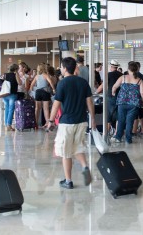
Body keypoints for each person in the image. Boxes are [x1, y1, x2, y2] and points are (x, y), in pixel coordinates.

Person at [47, 57, 95, 189]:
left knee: (65, 152)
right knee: (77, 146)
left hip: (67, 122)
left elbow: (56, 105)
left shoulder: (62, 83)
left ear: (65, 68)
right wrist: (93, 119)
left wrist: (51, 121)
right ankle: (85, 167)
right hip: (81, 121)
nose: (61, 69)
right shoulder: (83, 82)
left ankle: (68, 181)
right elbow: (89, 102)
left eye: (61, 67)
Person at [112, 61, 143, 144]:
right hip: (134, 104)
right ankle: (128, 139)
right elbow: (142, 93)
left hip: (122, 102)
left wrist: (113, 92)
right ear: (137, 69)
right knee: (130, 121)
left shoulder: (123, 77)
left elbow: (115, 86)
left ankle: (118, 137)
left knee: (121, 120)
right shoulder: (139, 80)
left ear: (128, 69)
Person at [96, 59, 122, 137]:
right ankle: (117, 133)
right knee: (118, 115)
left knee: (108, 115)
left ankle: (106, 133)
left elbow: (102, 86)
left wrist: (96, 92)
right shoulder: (121, 74)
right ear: (117, 67)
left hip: (110, 97)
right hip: (120, 97)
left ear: (111, 66)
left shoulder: (109, 75)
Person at [29, 63, 56, 131]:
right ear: (44, 68)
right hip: (45, 92)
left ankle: (35, 124)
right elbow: (50, 82)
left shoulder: (37, 76)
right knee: (45, 109)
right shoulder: (45, 75)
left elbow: (31, 85)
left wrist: (32, 92)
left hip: (38, 92)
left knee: (37, 108)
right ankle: (47, 123)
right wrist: (53, 89)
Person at [2, 64, 20, 131]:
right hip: (12, 94)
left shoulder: (5, 75)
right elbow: (20, 83)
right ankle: (9, 125)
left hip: (5, 94)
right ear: (16, 69)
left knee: (7, 108)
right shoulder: (15, 75)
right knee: (11, 109)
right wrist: (17, 74)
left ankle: (6, 124)